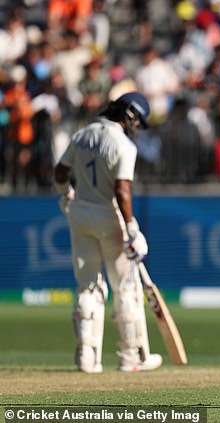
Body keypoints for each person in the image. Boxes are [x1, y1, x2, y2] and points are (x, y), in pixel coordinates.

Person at [53, 92, 163, 373]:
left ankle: (87, 357)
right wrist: (132, 229)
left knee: (88, 284)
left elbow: (60, 172)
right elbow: (121, 189)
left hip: (80, 214)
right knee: (125, 287)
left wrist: (66, 194)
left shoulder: (82, 134)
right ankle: (131, 357)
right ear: (130, 115)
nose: (137, 126)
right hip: (109, 217)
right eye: (137, 120)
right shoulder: (124, 145)